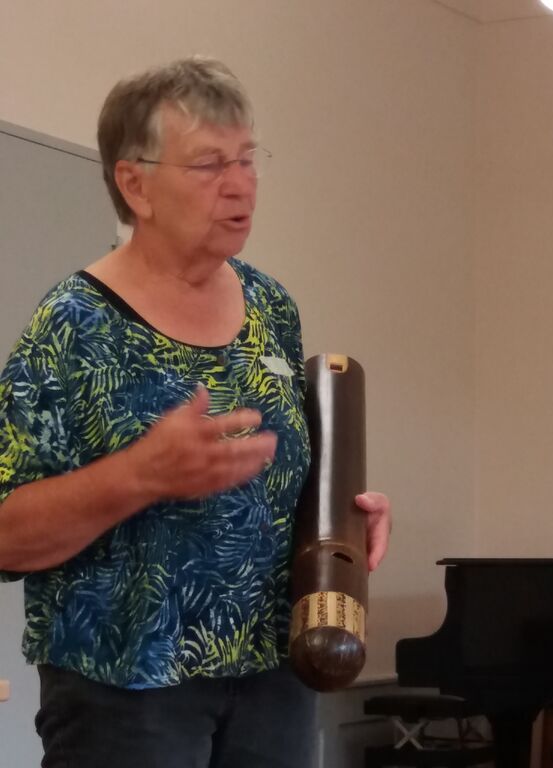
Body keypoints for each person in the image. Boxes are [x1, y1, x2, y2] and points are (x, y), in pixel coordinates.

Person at [0, 56, 391, 768]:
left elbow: (279, 485)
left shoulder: (271, 307)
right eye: (210, 164)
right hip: (127, 697)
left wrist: (340, 519)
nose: (240, 183)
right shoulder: (74, 324)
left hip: (276, 679)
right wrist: (140, 475)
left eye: (247, 158)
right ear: (135, 184)